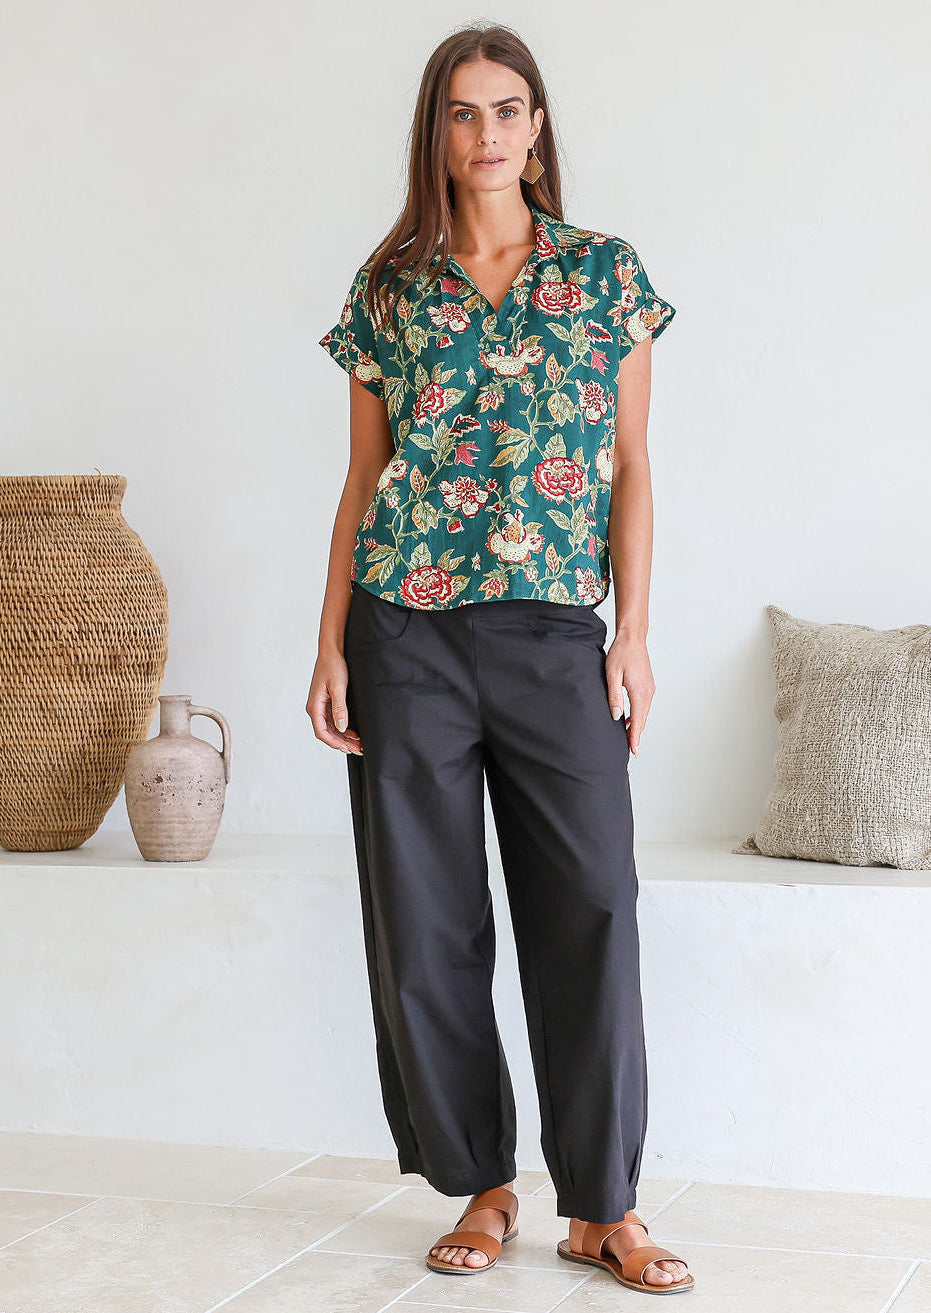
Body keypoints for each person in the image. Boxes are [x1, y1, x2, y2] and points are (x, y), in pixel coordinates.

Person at [307, 23, 694, 1297]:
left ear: (537, 127)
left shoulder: (603, 276)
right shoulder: (390, 289)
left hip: (550, 636)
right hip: (403, 630)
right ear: (438, 131)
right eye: (464, 114)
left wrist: (630, 630)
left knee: (591, 903)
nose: (486, 135)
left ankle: (605, 1205)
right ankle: (482, 1180)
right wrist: (330, 645)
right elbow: (364, 479)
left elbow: (632, 466)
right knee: (426, 923)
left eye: (508, 110)